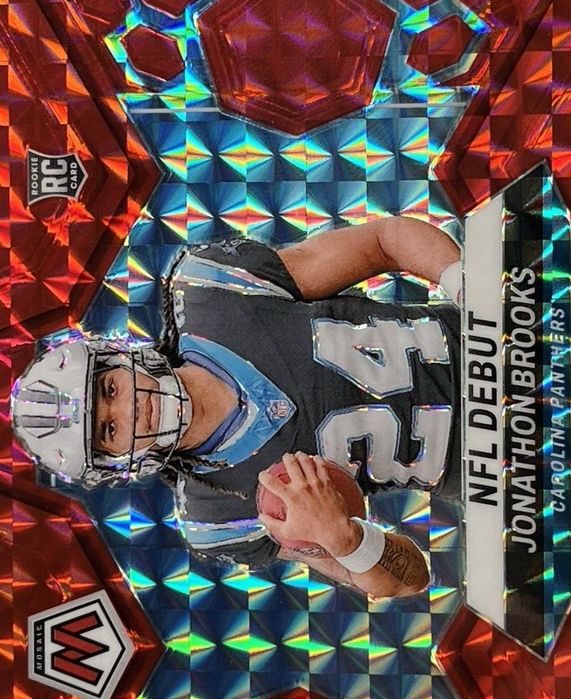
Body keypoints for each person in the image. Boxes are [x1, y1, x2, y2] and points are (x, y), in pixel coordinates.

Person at [11, 217, 462, 599]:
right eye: (109, 430)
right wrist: (345, 540)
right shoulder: (218, 517)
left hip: (488, 338)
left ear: (117, 358)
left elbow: (382, 242)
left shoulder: (210, 288)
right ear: (115, 463)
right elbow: (410, 579)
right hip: (487, 468)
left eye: (111, 389)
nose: (131, 411)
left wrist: (465, 286)